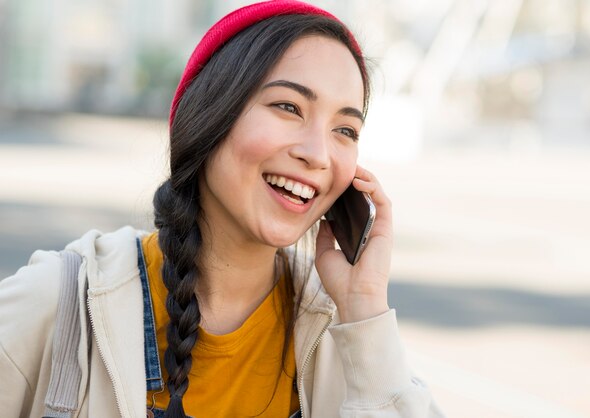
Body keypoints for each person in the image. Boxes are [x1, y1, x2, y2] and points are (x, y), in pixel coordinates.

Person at [0, 1, 445, 417]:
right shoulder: (64, 301)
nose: (319, 154)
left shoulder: (347, 335)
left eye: (345, 129)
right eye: (288, 107)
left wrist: (364, 308)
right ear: (210, 115)